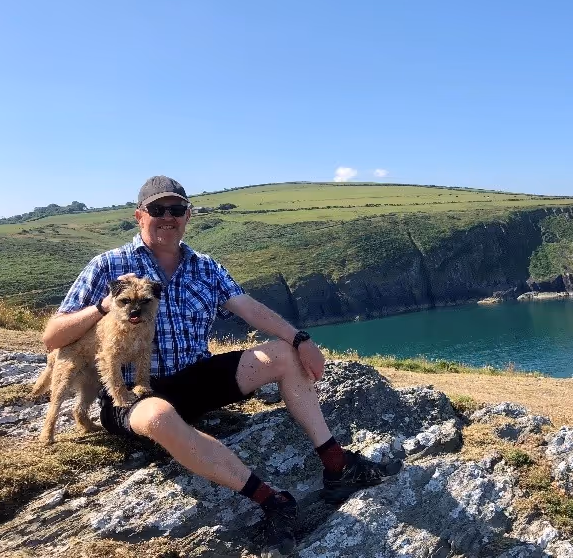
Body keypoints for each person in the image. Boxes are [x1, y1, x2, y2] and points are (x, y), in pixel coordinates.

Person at [42, 175, 399, 555]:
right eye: (157, 209)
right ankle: (271, 500)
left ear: (188, 215)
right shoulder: (108, 265)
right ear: (139, 215)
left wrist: (300, 339)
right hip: (133, 390)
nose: (168, 217)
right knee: (159, 418)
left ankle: (337, 464)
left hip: (196, 377)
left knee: (284, 353)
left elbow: (249, 309)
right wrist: (102, 306)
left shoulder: (205, 267)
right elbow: (52, 336)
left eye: (176, 209)